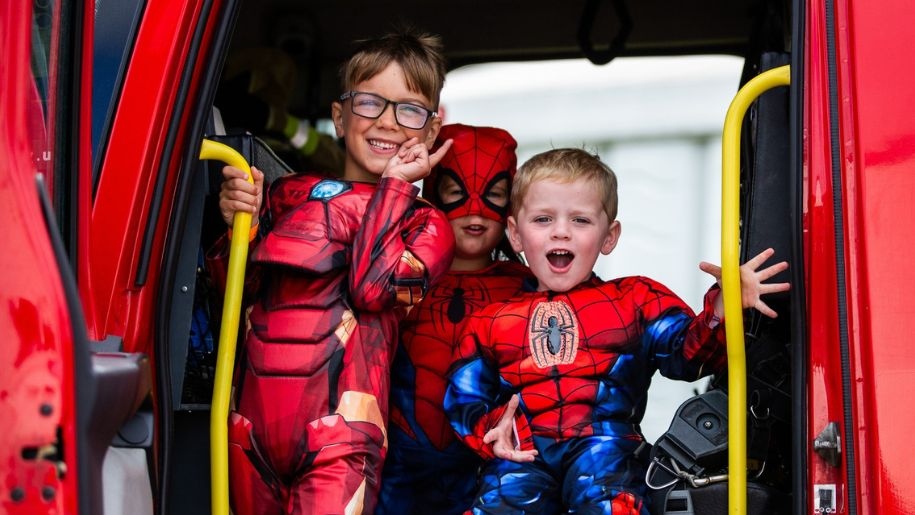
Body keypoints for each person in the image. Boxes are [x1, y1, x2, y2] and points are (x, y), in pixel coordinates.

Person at [444, 148, 790, 514]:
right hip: (522, 451)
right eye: (543, 219)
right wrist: (490, 430)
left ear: (609, 237)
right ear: (515, 234)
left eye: (580, 221)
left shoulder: (635, 298)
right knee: (497, 502)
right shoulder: (489, 319)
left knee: (613, 502)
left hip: (604, 445)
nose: (561, 232)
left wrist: (722, 308)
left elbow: (688, 357)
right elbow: (463, 395)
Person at [210, 28, 455, 514]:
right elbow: (232, 295)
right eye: (369, 103)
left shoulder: (426, 224)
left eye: (408, 110)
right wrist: (238, 223)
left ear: (430, 131)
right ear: (340, 117)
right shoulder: (288, 194)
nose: (386, 122)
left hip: (341, 438)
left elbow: (371, 288)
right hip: (247, 430)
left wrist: (396, 187)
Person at [375, 124, 534, 515]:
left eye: (495, 194)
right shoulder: (398, 276)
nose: (476, 209)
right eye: (455, 192)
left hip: (494, 463)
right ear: (434, 193)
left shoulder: (531, 287)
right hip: (399, 462)